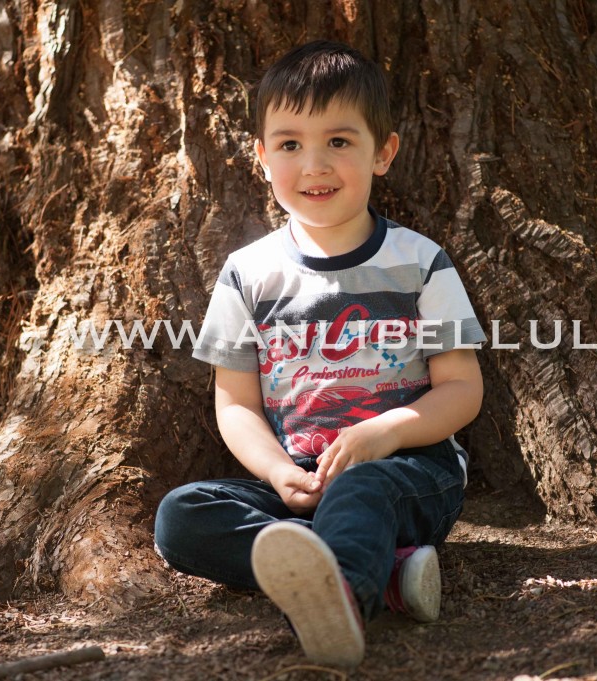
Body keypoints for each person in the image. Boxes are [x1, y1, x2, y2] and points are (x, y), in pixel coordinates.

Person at [154, 40, 486, 667]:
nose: (314, 165)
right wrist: (277, 471)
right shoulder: (247, 273)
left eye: (338, 141)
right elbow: (236, 405)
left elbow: (462, 389)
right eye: (289, 144)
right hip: (300, 480)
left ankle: (344, 600)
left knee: (362, 490)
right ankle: (388, 572)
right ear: (261, 157)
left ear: (382, 152)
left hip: (408, 472)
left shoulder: (419, 263)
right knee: (182, 516)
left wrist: (386, 432)